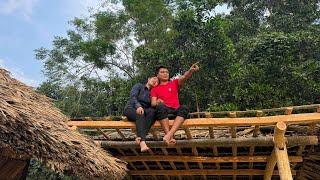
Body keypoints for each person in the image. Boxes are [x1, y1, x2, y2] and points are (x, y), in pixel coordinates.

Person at [151, 63, 199, 145]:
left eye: (167, 72)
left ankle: (169, 135)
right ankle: (170, 137)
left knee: (184, 107)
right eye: (162, 72)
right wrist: (158, 101)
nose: (165, 74)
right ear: (157, 75)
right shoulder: (154, 89)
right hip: (164, 112)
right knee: (160, 106)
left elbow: (184, 77)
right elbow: (153, 103)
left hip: (176, 111)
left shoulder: (174, 83)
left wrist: (190, 71)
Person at [124, 76, 159, 152]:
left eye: (157, 82)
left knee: (152, 112)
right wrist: (138, 106)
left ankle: (139, 137)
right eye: (154, 79)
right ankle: (142, 142)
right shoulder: (139, 86)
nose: (155, 81)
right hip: (131, 108)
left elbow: (152, 107)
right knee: (140, 112)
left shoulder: (153, 94)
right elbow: (133, 97)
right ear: (148, 79)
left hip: (143, 113)